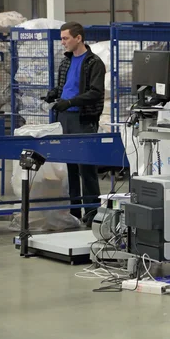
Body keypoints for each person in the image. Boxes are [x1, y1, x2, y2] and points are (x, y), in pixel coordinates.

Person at [44, 22, 106, 226]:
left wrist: (70, 102)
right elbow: (65, 86)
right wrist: (55, 93)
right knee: (70, 168)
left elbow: (95, 92)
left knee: (86, 169)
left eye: (65, 38)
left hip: (83, 120)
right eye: (62, 38)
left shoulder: (93, 63)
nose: (63, 42)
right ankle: (74, 214)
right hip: (65, 119)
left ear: (78, 38)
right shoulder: (65, 62)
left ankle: (92, 214)